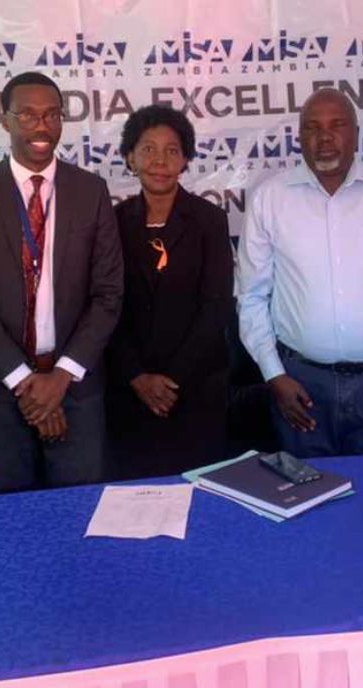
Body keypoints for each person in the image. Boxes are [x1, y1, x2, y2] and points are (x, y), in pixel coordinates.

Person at [237, 88, 363, 458]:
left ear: (356, 131)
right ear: (299, 137)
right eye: (312, 128)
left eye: (337, 125)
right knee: (306, 503)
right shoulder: (270, 199)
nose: (325, 138)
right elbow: (252, 296)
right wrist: (274, 375)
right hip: (299, 386)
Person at [0, 72, 122, 493]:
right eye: (26, 115)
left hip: (75, 389)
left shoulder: (91, 190)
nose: (41, 126)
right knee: (5, 528)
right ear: (4, 120)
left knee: (78, 518)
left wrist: (59, 378)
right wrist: (28, 385)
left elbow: (108, 294)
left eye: (51, 115)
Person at [106, 105, 234, 479]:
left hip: (195, 391)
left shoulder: (209, 220)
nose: (159, 160)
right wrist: (137, 377)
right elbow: (104, 305)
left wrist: (170, 381)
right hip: (129, 392)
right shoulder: (112, 223)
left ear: (186, 160)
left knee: (202, 504)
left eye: (172, 150)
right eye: (148, 149)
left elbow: (216, 306)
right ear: (130, 157)